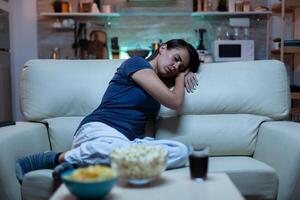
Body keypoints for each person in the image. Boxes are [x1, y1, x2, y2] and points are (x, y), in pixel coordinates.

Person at [15, 39, 200, 183]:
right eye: (176, 59)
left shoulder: (159, 85)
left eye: (180, 67)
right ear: (162, 48)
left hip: (128, 143)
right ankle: (56, 158)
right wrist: (182, 75)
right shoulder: (136, 64)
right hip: (100, 130)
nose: (175, 67)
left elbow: (173, 98)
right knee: (110, 150)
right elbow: (175, 102)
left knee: (181, 151)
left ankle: (80, 164)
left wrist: (185, 73)